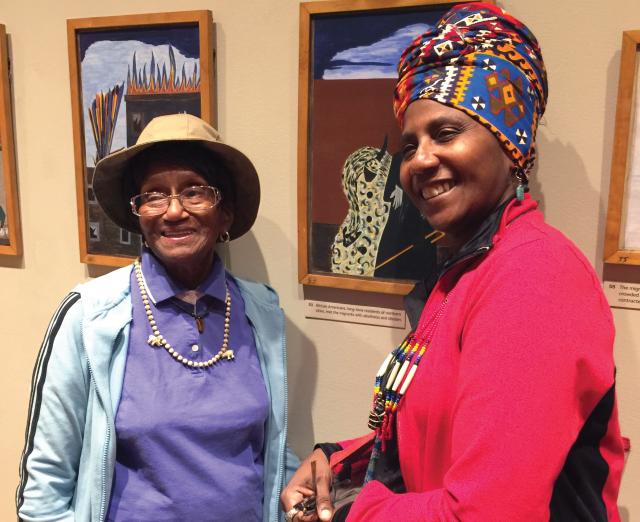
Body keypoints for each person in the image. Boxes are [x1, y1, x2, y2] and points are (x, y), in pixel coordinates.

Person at [281, 3, 625, 521]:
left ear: (512, 143)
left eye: (445, 134)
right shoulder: (465, 270)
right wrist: (341, 461)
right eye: (409, 144)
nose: (419, 160)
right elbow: (436, 436)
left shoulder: (533, 277)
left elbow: (484, 513)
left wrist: (351, 508)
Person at [17, 113, 299, 521]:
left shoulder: (261, 311)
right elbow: (45, 481)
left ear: (226, 214)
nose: (173, 211)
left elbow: (271, 451)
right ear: (138, 214)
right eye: (153, 195)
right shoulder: (90, 316)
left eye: (194, 192)